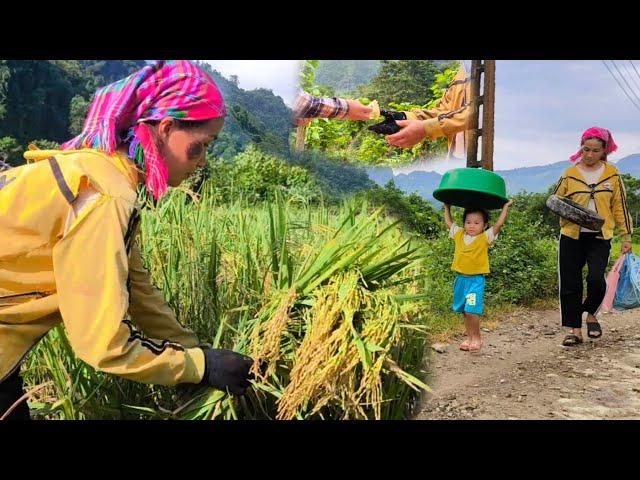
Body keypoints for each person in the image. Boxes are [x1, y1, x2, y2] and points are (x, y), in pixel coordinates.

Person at [0, 60, 254, 420]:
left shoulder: (100, 171)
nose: (202, 162)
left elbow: (135, 286)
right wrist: (197, 367)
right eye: (201, 145)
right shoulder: (106, 194)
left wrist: (194, 351)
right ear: (166, 128)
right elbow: (104, 345)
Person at [553, 127, 633, 346]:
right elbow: (555, 201)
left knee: (597, 279)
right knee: (570, 283)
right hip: (571, 235)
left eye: (595, 150)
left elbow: (620, 207)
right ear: (581, 148)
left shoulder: (612, 174)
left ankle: (590, 314)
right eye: (586, 149)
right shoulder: (569, 174)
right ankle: (574, 330)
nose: (589, 155)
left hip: (600, 236)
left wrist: (626, 235)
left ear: (604, 151)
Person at [443, 200, 514, 352]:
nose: (471, 225)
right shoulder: (459, 234)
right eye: (468, 222)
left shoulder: (486, 237)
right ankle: (469, 338)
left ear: (484, 225)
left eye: (476, 222)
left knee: (471, 310)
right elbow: (449, 222)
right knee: (464, 311)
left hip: (475, 281)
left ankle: (477, 339)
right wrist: (447, 207)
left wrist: (505, 207)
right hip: (460, 280)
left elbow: (499, 225)